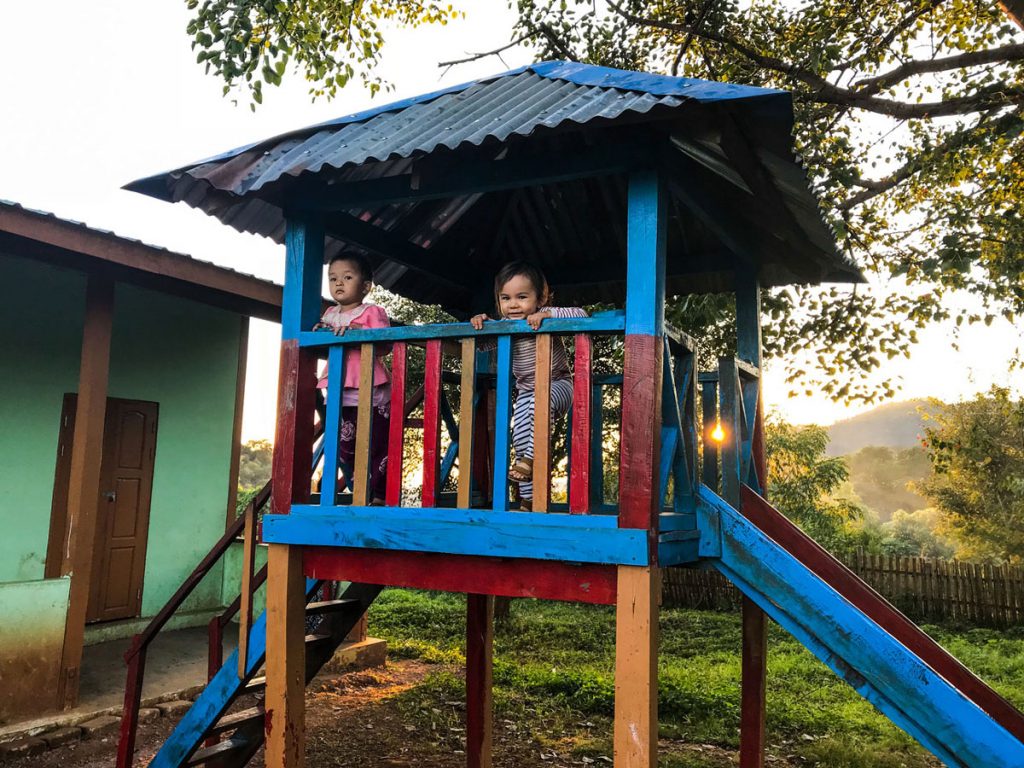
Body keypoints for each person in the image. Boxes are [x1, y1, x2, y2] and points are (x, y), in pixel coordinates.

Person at [470, 261, 587, 510]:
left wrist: (548, 315)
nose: (513, 305)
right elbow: (482, 345)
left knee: (539, 406)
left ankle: (530, 461)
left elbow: (582, 315)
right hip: (526, 392)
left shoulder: (545, 319)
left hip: (559, 384)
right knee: (520, 438)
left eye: (522, 297)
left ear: (540, 298)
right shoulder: (505, 326)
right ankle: (528, 498)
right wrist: (481, 323)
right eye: (506, 298)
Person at [314, 255, 390, 505]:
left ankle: (380, 495)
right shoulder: (329, 314)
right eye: (333, 278)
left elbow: (385, 344)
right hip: (338, 390)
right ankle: (360, 489)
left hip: (371, 391)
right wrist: (319, 331)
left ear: (366, 286)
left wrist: (361, 333)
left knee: (377, 444)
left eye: (347, 277)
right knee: (344, 447)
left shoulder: (372, 312)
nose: (339, 283)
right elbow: (324, 345)